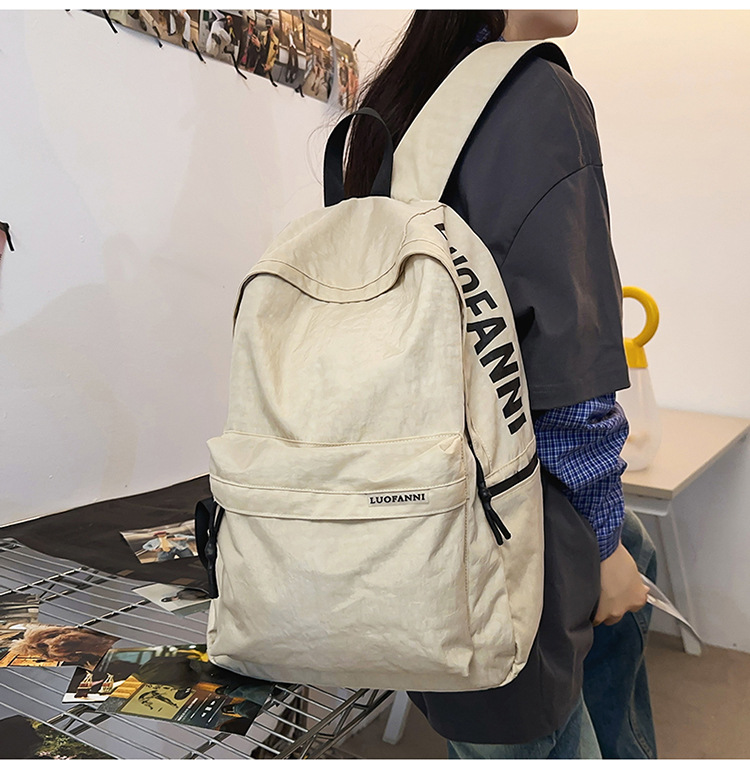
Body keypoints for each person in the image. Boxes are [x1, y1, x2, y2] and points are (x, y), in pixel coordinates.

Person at [343, 10, 653, 759]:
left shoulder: (395, 106)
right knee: (615, 574)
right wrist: (601, 544)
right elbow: (570, 374)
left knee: (639, 549)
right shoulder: (541, 96)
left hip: (414, 512)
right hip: (507, 534)